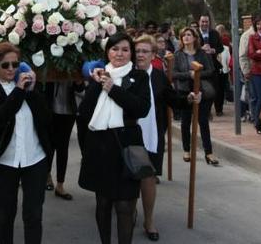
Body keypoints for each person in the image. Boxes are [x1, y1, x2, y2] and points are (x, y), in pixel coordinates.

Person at [78, 33, 151, 244]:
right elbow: (84, 112)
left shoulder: (138, 77)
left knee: (125, 206)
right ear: (107, 52)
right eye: (115, 49)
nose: (119, 53)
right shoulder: (99, 76)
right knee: (103, 203)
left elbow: (141, 108)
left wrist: (113, 89)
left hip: (126, 146)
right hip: (100, 146)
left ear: (131, 53)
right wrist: (95, 84)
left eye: (125, 50)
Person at [0, 43, 51, 244]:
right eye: (5, 65)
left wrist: (33, 92)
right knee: (6, 215)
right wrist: (19, 91)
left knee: (34, 215)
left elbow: (46, 119)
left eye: (15, 64)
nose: (11, 69)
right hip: (5, 163)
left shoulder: (29, 89)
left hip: (35, 160)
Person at [134, 35, 191, 241]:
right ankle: (130, 211)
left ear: (153, 55)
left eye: (144, 51)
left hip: (152, 134)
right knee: (130, 178)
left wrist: (189, 99)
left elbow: (172, 99)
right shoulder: (126, 74)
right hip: (129, 134)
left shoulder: (158, 77)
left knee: (148, 178)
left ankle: (149, 220)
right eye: (137, 51)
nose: (140, 55)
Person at [173, 28, 219, 165]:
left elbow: (210, 70)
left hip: (201, 90)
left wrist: (197, 74)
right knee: (185, 121)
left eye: (189, 35)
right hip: (185, 91)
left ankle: (209, 153)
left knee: (203, 121)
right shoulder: (178, 54)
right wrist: (189, 74)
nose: (186, 37)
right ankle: (187, 150)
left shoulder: (202, 54)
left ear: (194, 38)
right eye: (183, 36)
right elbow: (174, 74)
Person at [199, 15, 227, 117]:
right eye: (203, 21)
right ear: (199, 22)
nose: (204, 24)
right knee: (203, 88)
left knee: (215, 88)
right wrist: (201, 49)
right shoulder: (195, 34)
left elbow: (221, 48)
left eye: (206, 22)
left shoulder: (214, 34)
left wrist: (213, 50)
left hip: (213, 65)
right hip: (200, 66)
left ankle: (216, 109)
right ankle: (206, 111)